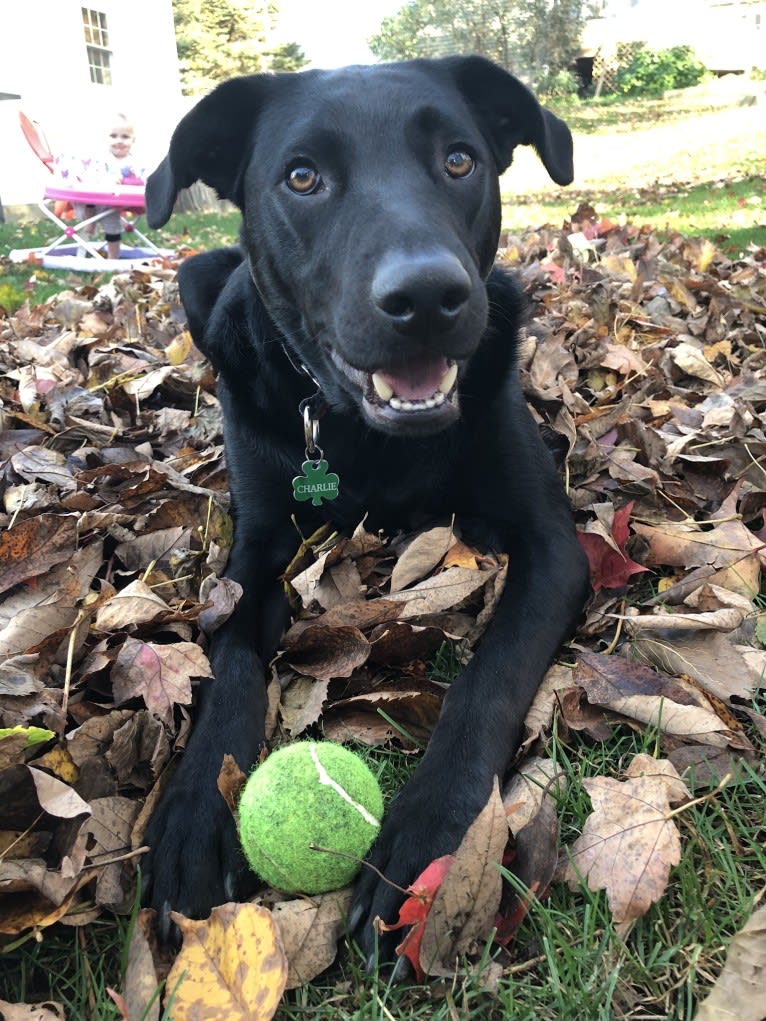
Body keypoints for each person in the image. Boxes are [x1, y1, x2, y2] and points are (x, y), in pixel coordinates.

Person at [58, 113, 145, 259]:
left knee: (113, 229)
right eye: (113, 136)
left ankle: (113, 259)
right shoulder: (100, 158)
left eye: (125, 137)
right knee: (88, 194)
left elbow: (139, 178)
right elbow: (91, 176)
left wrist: (133, 180)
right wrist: (107, 180)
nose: (119, 141)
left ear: (133, 140)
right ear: (106, 138)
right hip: (92, 201)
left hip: (113, 205)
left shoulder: (134, 162)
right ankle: (88, 227)